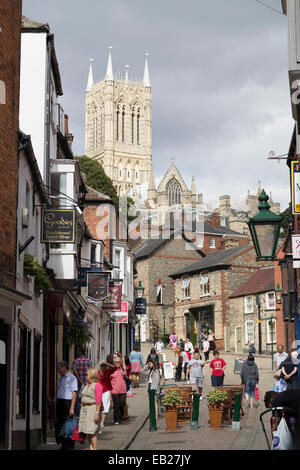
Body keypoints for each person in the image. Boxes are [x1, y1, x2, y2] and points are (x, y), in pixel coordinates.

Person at [55, 361, 78, 450]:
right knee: (61, 423)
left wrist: (72, 407)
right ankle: (64, 444)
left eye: (59, 368)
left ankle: (70, 445)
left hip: (68, 403)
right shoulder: (62, 378)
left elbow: (74, 393)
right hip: (60, 402)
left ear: (64, 367)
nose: (58, 370)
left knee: (69, 424)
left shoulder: (72, 378)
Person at [78, 368, 103, 450]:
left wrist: (96, 413)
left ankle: (95, 449)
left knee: (92, 432)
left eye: (87, 374)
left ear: (92, 375)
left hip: (92, 409)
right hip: (84, 409)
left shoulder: (97, 385)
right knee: (88, 432)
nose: (85, 376)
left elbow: (98, 400)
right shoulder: (86, 385)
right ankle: (91, 448)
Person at [71, 347, 93, 417]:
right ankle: (86, 414)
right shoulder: (89, 361)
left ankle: (78, 415)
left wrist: (79, 379)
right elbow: (91, 371)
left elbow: (74, 370)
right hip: (87, 384)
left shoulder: (76, 361)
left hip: (78, 384)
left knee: (78, 400)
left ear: (80, 352)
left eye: (78, 351)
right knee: (86, 399)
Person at [98, 354, 114, 433]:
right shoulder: (98, 372)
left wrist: (107, 363)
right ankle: (98, 421)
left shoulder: (108, 371)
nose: (103, 367)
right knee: (98, 406)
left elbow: (115, 368)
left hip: (106, 390)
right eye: (102, 366)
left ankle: (102, 422)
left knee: (105, 407)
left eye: (104, 366)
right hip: (98, 391)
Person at [110, 356, 127, 425]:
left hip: (123, 390)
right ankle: (116, 419)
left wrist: (125, 375)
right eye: (116, 362)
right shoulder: (111, 370)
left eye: (119, 362)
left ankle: (121, 416)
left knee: (122, 404)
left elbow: (126, 376)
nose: (118, 363)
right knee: (116, 405)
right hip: (115, 390)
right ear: (114, 363)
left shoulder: (122, 369)